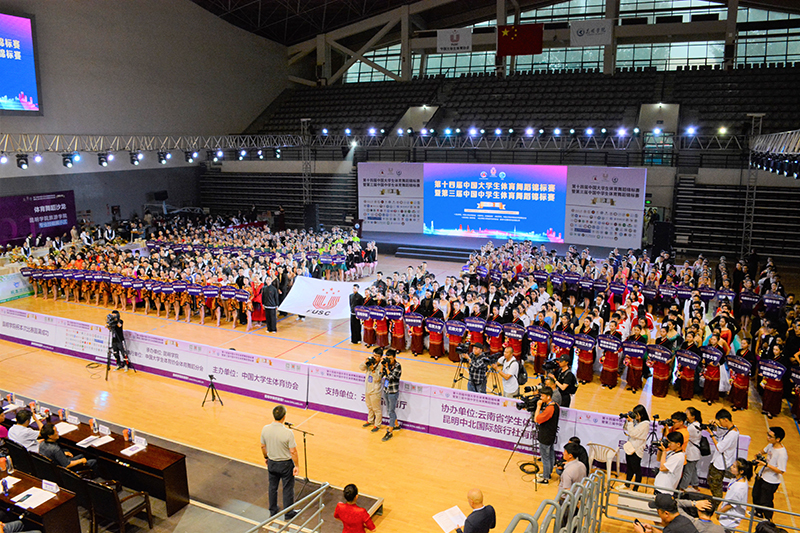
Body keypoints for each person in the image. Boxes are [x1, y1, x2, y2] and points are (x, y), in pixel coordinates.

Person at [260, 405, 299, 519]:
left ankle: (273, 510)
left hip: (272, 462)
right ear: (284, 417)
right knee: (287, 488)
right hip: (285, 464)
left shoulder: (265, 429)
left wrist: (266, 457)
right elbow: (293, 451)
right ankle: (288, 512)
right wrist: (296, 465)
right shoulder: (288, 433)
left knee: (272, 487)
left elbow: (262, 446)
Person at [752, 426, 787, 519]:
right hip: (762, 475)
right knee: (756, 495)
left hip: (771, 481)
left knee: (766, 501)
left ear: (778, 439)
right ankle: (758, 513)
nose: (768, 438)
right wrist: (759, 454)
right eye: (768, 435)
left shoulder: (782, 454)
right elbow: (764, 451)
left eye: (770, 436)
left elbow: (781, 470)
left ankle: (768, 519)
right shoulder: (771, 445)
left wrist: (766, 464)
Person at [707, 409, 739, 498]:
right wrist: (715, 426)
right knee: (713, 483)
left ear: (726, 420)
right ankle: (717, 501)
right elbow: (722, 433)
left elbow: (720, 448)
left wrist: (711, 434)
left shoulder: (732, 434)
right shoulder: (732, 429)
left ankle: (717, 503)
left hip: (720, 464)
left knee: (715, 486)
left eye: (720, 421)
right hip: (718, 462)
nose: (720, 424)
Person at [718, 458, 753, 530]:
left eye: (734, 467)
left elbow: (730, 505)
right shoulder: (736, 479)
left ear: (741, 471)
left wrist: (719, 513)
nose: (731, 467)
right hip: (726, 514)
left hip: (730, 518)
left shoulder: (739, 488)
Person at [534, 386, 560, 484]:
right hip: (551, 435)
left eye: (542, 396)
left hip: (545, 436)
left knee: (545, 458)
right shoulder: (556, 405)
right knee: (551, 456)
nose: (541, 398)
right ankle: (548, 473)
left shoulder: (550, 409)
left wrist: (538, 406)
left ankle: (545, 478)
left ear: (548, 397)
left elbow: (536, 419)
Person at [622, 404, 650, 490]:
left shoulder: (645, 424)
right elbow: (627, 429)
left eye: (636, 414)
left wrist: (631, 422)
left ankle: (636, 487)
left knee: (636, 469)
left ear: (641, 414)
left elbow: (633, 433)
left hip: (637, 450)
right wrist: (628, 421)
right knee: (629, 468)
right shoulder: (637, 422)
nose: (635, 416)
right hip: (630, 447)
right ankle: (627, 484)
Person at [359, 348, 383, 433]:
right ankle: (370, 420)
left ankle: (377, 424)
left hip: (375, 390)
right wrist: (365, 362)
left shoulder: (381, 366)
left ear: (381, 357)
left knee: (376, 409)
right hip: (367, 388)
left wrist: (373, 370)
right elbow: (361, 368)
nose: (374, 357)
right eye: (374, 355)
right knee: (369, 406)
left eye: (377, 356)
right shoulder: (370, 362)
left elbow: (377, 378)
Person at [380, 349, 402, 442]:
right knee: (389, 410)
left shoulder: (398, 366)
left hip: (393, 392)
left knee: (391, 411)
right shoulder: (386, 364)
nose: (388, 360)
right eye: (387, 358)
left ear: (394, 357)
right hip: (386, 390)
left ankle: (390, 432)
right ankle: (396, 425)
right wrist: (382, 366)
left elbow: (392, 377)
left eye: (390, 358)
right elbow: (381, 375)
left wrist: (387, 368)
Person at [681, 407, 702, 491]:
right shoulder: (696, 424)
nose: (685, 415)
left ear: (693, 416)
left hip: (692, 454)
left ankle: (682, 489)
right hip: (694, 453)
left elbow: (682, 434)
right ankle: (695, 485)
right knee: (693, 470)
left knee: (687, 473)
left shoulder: (692, 428)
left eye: (686, 414)